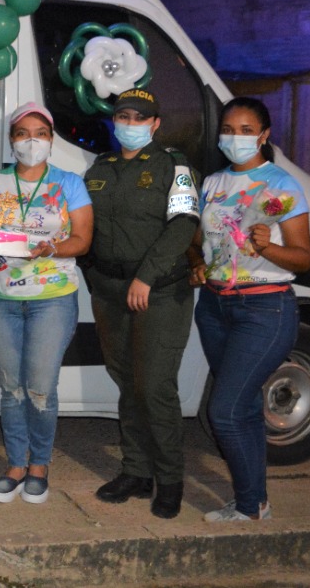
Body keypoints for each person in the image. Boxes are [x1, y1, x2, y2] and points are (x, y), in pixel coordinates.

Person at [188, 97, 310, 522]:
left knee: (223, 410)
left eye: (245, 130)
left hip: (264, 308)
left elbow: (303, 258)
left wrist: (269, 247)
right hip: (215, 306)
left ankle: (248, 504)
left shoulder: (281, 186)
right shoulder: (212, 184)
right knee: (241, 409)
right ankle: (254, 503)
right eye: (228, 129)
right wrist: (197, 265)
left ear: (263, 136)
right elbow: (197, 239)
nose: (234, 138)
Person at [0, 102, 93, 505]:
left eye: (39, 132)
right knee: (11, 387)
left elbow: (83, 241)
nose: (30, 141)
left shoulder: (69, 184)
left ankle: (39, 466)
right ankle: (15, 465)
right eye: (22, 133)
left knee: (40, 387)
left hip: (51, 298)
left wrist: (50, 248)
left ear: (51, 140)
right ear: (11, 140)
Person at [83, 88, 200, 519]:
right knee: (127, 383)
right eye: (123, 116)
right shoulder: (100, 168)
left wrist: (145, 277)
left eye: (139, 117)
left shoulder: (175, 166)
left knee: (154, 387)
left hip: (158, 291)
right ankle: (136, 471)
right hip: (109, 291)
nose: (129, 123)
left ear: (155, 124)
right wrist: (92, 273)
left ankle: (169, 480)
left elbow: (183, 223)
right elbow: (83, 225)